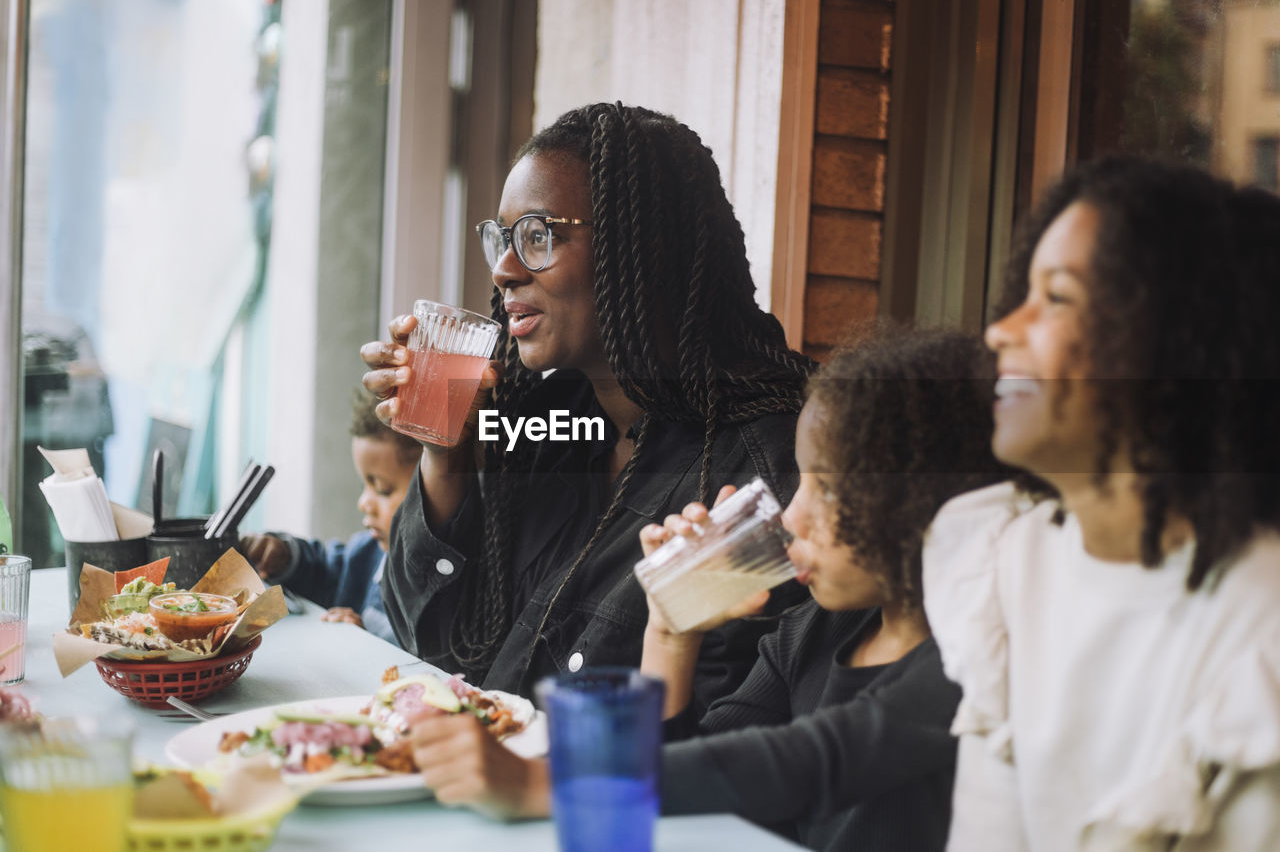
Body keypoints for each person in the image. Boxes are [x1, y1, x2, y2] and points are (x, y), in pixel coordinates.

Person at [405, 327, 1008, 852]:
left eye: (827, 489)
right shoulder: (811, 633)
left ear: (916, 501)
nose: (791, 517)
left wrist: (540, 786)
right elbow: (688, 787)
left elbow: (801, 763)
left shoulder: (972, 664)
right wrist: (671, 629)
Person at [361, 103, 812, 706]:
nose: (503, 270)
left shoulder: (759, 474)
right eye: (502, 238)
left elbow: (733, 730)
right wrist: (446, 455)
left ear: (641, 247)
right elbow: (437, 650)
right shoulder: (540, 431)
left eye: (539, 236)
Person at [923, 157, 1280, 850]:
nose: (1000, 330)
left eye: (1056, 298)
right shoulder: (1005, 558)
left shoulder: (1261, 637)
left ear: (1176, 347)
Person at [239, 391, 421, 644]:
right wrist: (283, 555)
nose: (364, 503)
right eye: (363, 487)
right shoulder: (365, 556)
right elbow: (323, 570)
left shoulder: (461, 603)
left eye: (382, 489)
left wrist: (367, 644)